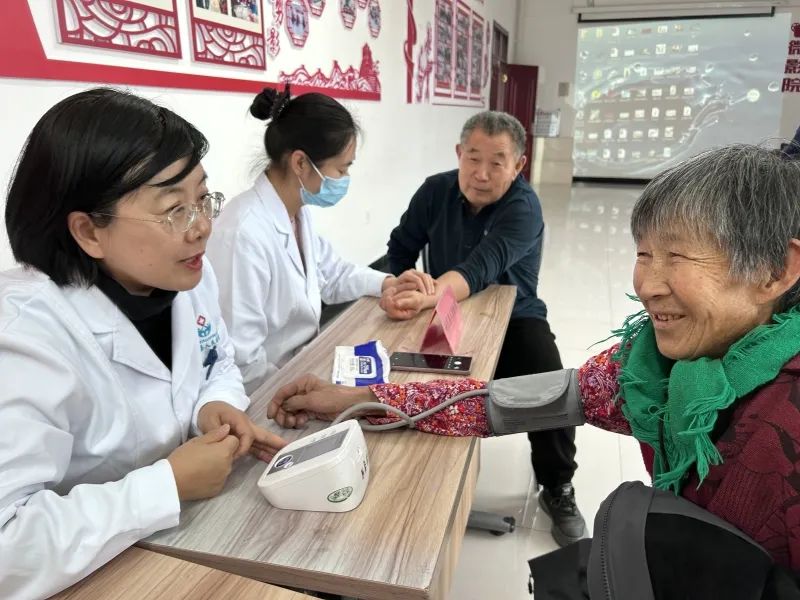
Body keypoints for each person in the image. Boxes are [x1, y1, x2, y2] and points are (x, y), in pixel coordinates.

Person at [268, 144, 800, 572]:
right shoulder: (643, 372)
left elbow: (485, 266)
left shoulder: (786, 425)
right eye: (644, 253)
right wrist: (361, 398)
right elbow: (502, 402)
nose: (646, 285)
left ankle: (556, 486)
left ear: (775, 271)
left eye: (677, 256)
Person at [0, 88, 286, 600]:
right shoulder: (23, 337)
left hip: (178, 545)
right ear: (89, 231)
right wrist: (165, 485)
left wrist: (213, 404)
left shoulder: (184, 276)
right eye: (175, 209)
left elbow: (218, 360)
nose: (203, 227)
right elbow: (8, 547)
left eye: (203, 199)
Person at [378, 110, 585, 547]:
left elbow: (480, 268)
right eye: (473, 158)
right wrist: (402, 281)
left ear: (519, 165)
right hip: (442, 311)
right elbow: (400, 247)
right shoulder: (435, 191)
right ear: (459, 154)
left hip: (514, 317)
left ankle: (558, 485)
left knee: (552, 386)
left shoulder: (523, 207)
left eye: (496, 162)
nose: (482, 174)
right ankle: (406, 479)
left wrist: (429, 294)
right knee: (401, 378)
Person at [206, 85, 433, 395]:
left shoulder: (295, 211)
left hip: (299, 368)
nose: (344, 180)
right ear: (300, 163)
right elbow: (242, 361)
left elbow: (332, 273)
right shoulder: (242, 233)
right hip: (264, 392)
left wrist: (388, 283)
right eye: (341, 169)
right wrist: (297, 395)